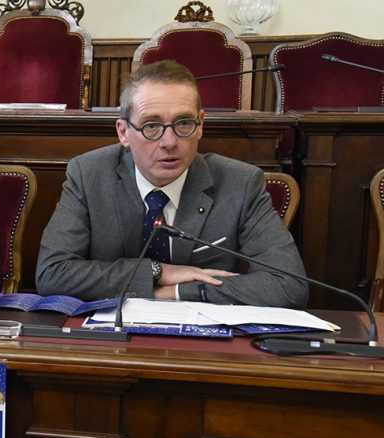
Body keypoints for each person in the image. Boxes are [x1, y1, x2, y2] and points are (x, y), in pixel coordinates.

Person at [36, 60, 308, 307]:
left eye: (184, 123)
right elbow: (53, 274)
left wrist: (174, 292)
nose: (169, 142)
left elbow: (289, 286)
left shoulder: (240, 183)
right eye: (151, 126)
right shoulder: (89, 174)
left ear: (200, 125)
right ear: (123, 132)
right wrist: (157, 272)